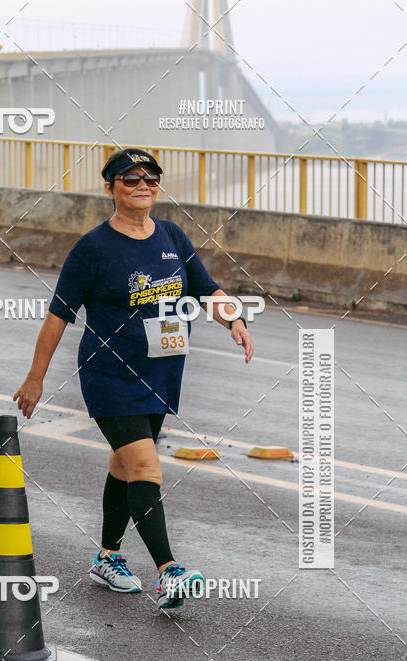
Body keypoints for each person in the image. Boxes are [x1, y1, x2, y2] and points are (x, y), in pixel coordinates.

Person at [13, 148, 253, 609]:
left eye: (151, 178)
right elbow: (58, 316)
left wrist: (235, 320)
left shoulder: (172, 236)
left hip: (161, 373)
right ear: (110, 188)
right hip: (110, 376)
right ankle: (169, 572)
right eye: (130, 179)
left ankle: (107, 557)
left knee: (124, 466)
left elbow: (206, 289)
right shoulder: (93, 249)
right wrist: (35, 378)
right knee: (145, 467)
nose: (143, 186)